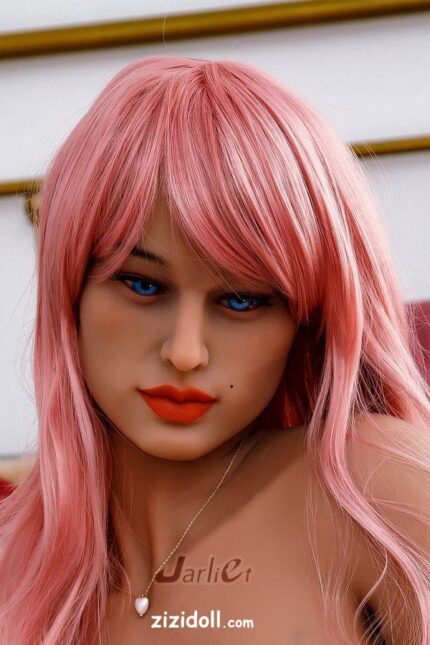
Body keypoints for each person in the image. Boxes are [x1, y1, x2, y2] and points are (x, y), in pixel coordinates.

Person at [0, 55, 429, 645]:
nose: (185, 353)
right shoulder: (16, 571)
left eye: (243, 300)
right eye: (141, 284)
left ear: (307, 319)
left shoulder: (374, 489)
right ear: (69, 288)